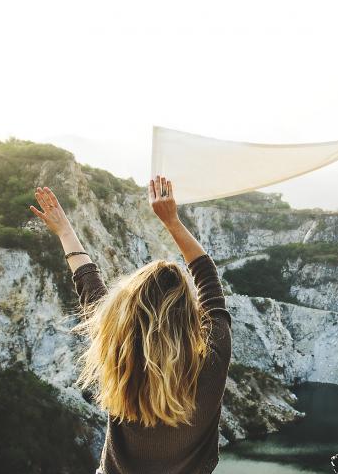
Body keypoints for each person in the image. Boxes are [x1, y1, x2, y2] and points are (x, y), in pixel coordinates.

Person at [28, 175, 231, 474]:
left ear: (126, 313)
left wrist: (64, 230)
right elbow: (207, 276)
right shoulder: (213, 358)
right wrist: (172, 221)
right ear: (188, 314)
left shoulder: (117, 351)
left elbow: (89, 285)